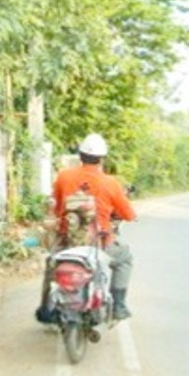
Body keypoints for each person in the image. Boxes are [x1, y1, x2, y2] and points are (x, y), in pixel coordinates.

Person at [36, 132, 138, 322]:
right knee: (125, 259)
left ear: (80, 156)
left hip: (67, 240)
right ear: (102, 158)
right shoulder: (111, 183)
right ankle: (118, 306)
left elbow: (56, 206)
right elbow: (128, 214)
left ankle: (45, 309)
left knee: (51, 265)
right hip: (99, 242)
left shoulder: (64, 177)